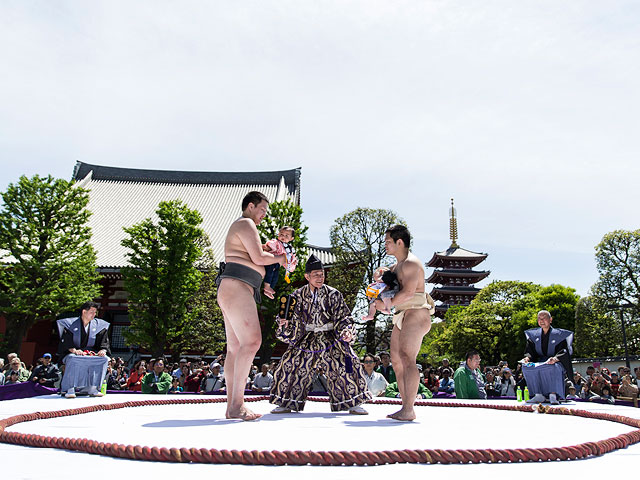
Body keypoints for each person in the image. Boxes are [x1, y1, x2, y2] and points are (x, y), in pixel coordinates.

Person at [270, 254, 371, 415]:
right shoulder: (297, 295)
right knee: (290, 362)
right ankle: (286, 402)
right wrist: (284, 322)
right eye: (316, 274)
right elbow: (286, 316)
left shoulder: (333, 294)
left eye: (322, 274)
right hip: (307, 337)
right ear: (307, 276)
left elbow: (344, 317)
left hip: (330, 336)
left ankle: (353, 402)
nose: (320, 277)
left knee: (346, 362)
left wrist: (346, 331)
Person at [216, 191, 285, 421]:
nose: (264, 215)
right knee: (252, 341)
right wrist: (280, 258)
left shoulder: (245, 226)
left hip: (237, 286)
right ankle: (237, 404)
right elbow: (257, 258)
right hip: (236, 286)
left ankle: (232, 406)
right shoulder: (246, 223)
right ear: (251, 206)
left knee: (235, 348)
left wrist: (264, 284)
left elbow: (252, 257)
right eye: (263, 210)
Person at [373, 225, 435, 421]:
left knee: (408, 357)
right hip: (401, 314)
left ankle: (409, 408)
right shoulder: (395, 267)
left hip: (416, 312)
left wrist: (385, 303)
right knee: (396, 360)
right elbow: (386, 286)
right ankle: (405, 406)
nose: (385, 245)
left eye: (388, 242)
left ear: (400, 242)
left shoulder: (411, 263)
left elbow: (408, 293)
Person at [57, 301, 110, 398]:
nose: (94, 314)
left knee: (104, 359)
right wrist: (74, 350)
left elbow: (103, 341)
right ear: (84, 312)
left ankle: (93, 388)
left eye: (95, 312)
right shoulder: (70, 324)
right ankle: (69, 389)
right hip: (73, 352)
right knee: (73, 358)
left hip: (90, 353)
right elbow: (66, 340)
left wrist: (103, 350)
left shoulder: (99, 325)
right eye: (92, 312)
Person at [520, 310, 574, 405]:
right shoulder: (533, 335)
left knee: (552, 367)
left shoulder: (559, 335)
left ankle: (553, 395)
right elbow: (529, 351)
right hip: (539, 361)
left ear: (550, 320)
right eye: (539, 318)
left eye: (544, 318)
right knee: (527, 367)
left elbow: (564, 351)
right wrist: (527, 358)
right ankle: (538, 394)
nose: (541, 320)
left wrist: (555, 358)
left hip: (555, 362)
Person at [262, 226, 298, 298]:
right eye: (281, 234)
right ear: (278, 234)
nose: (283, 237)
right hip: (270, 262)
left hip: (277, 265)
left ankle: (269, 289)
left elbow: (288, 260)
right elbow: (269, 247)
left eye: (286, 235)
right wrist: (264, 247)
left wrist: (293, 263)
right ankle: (267, 286)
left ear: (291, 238)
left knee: (275, 277)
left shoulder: (289, 249)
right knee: (270, 273)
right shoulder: (276, 242)